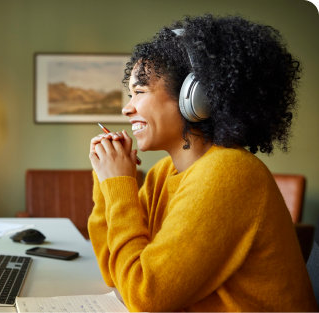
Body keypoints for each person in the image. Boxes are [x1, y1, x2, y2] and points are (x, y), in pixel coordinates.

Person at [87, 15, 316, 311]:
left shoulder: (229, 172)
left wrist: (119, 185)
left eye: (139, 93)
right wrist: (108, 183)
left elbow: (145, 295)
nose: (126, 108)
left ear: (196, 98)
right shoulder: (164, 173)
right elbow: (114, 271)